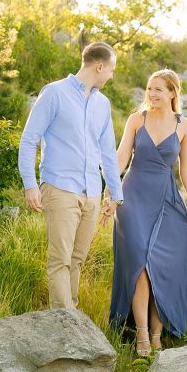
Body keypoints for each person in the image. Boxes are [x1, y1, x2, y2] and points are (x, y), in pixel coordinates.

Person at [18, 42, 125, 310]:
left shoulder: (103, 103)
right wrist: (30, 184)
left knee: (76, 260)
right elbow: (29, 140)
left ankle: (71, 320)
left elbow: (108, 153)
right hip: (60, 188)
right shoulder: (54, 93)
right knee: (60, 261)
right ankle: (64, 325)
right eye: (111, 69)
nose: (111, 75)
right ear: (99, 66)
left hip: (91, 193)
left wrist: (115, 194)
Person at [107, 69, 187, 356]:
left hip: (166, 199)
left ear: (173, 92)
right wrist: (111, 192)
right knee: (140, 265)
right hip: (133, 199)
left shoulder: (183, 125)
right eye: (150, 88)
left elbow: (186, 167)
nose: (153, 94)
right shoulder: (137, 120)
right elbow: (121, 157)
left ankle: (157, 334)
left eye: (159, 89)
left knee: (162, 265)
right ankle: (142, 335)